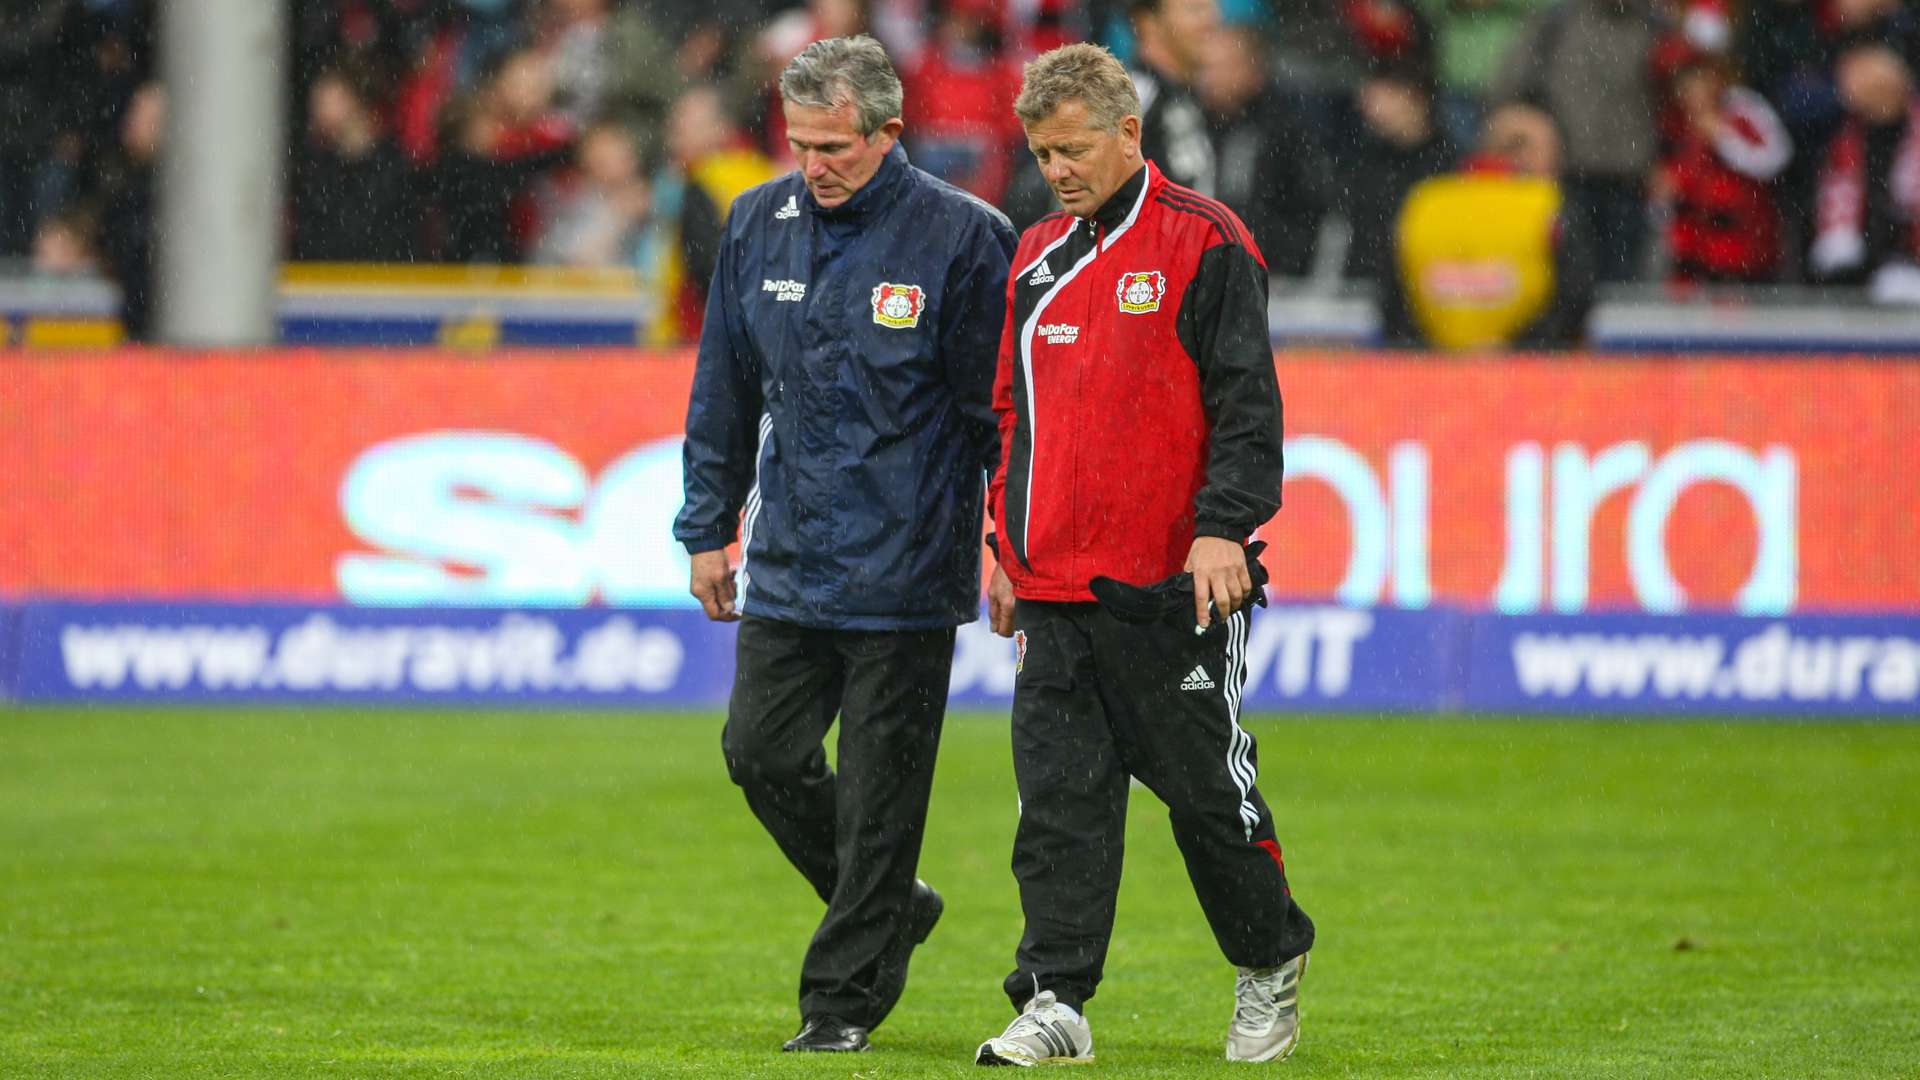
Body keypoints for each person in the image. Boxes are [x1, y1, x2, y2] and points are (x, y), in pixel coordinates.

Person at [673, 35, 1017, 1054]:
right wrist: (707, 530)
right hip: (791, 558)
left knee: (880, 800)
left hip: (909, 567)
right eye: (800, 144)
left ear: (886, 133)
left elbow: (999, 415)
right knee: (759, 754)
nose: (814, 165)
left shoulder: (964, 238)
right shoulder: (755, 224)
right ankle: (889, 908)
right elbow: (724, 394)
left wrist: (1007, 543)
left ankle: (838, 1003)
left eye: (834, 146)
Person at [973, 42, 1314, 1067]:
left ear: (1130, 130)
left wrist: (1224, 525)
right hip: (1049, 586)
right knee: (1060, 808)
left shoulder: (1204, 242)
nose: (1059, 169)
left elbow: (1246, 406)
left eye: (1074, 148)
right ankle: (1055, 1001)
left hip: (1172, 585)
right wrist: (1003, 543)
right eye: (1042, 153)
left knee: (1209, 799)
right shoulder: (1033, 255)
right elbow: (1007, 415)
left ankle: (1270, 965)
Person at [1386, 102, 1597, 349]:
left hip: (1433, 372)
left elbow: (1393, 303)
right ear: (1521, 154)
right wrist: (1517, 350)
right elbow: (1576, 297)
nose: (1558, 166)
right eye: (1552, 151)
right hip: (1532, 375)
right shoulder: (1551, 205)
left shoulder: (1423, 201)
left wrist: (1441, 351)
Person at [1126, 0, 1221, 194]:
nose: (1211, 20)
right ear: (1148, 23)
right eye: (1194, 9)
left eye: (1211, 8)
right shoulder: (1134, 100)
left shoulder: (1190, 98)